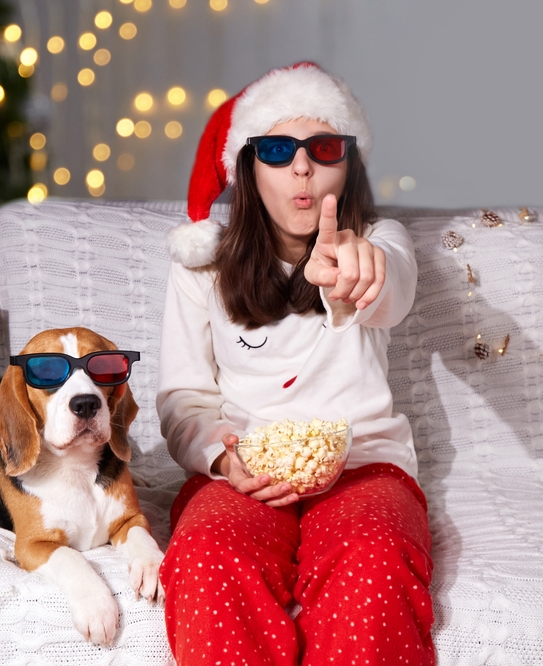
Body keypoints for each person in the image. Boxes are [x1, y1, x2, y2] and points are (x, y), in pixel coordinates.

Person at [156, 62, 434, 665]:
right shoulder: (200, 268)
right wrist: (222, 457)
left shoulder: (379, 243)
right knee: (205, 554)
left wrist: (352, 278)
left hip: (364, 467)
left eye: (324, 148)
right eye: (278, 150)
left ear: (349, 162)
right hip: (245, 470)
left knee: (376, 560)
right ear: (249, 167)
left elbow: (390, 291)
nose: (302, 168)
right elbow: (183, 399)